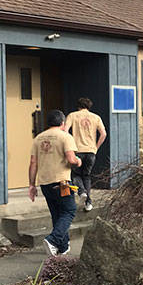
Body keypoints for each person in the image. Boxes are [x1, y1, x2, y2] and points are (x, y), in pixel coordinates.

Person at [28, 109, 82, 257]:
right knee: (69, 211)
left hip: (45, 183)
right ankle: (52, 240)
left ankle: (62, 247)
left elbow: (33, 163)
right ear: (62, 123)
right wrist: (79, 161)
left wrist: (32, 185)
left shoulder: (38, 138)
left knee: (57, 214)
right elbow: (71, 159)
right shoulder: (65, 137)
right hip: (62, 182)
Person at [65, 97, 107, 212]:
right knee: (87, 176)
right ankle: (88, 203)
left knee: (75, 174)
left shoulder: (72, 116)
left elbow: (65, 130)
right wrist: (96, 148)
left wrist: (70, 145)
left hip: (78, 151)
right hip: (91, 151)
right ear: (89, 106)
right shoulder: (96, 117)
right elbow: (103, 134)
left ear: (78, 106)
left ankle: (82, 191)